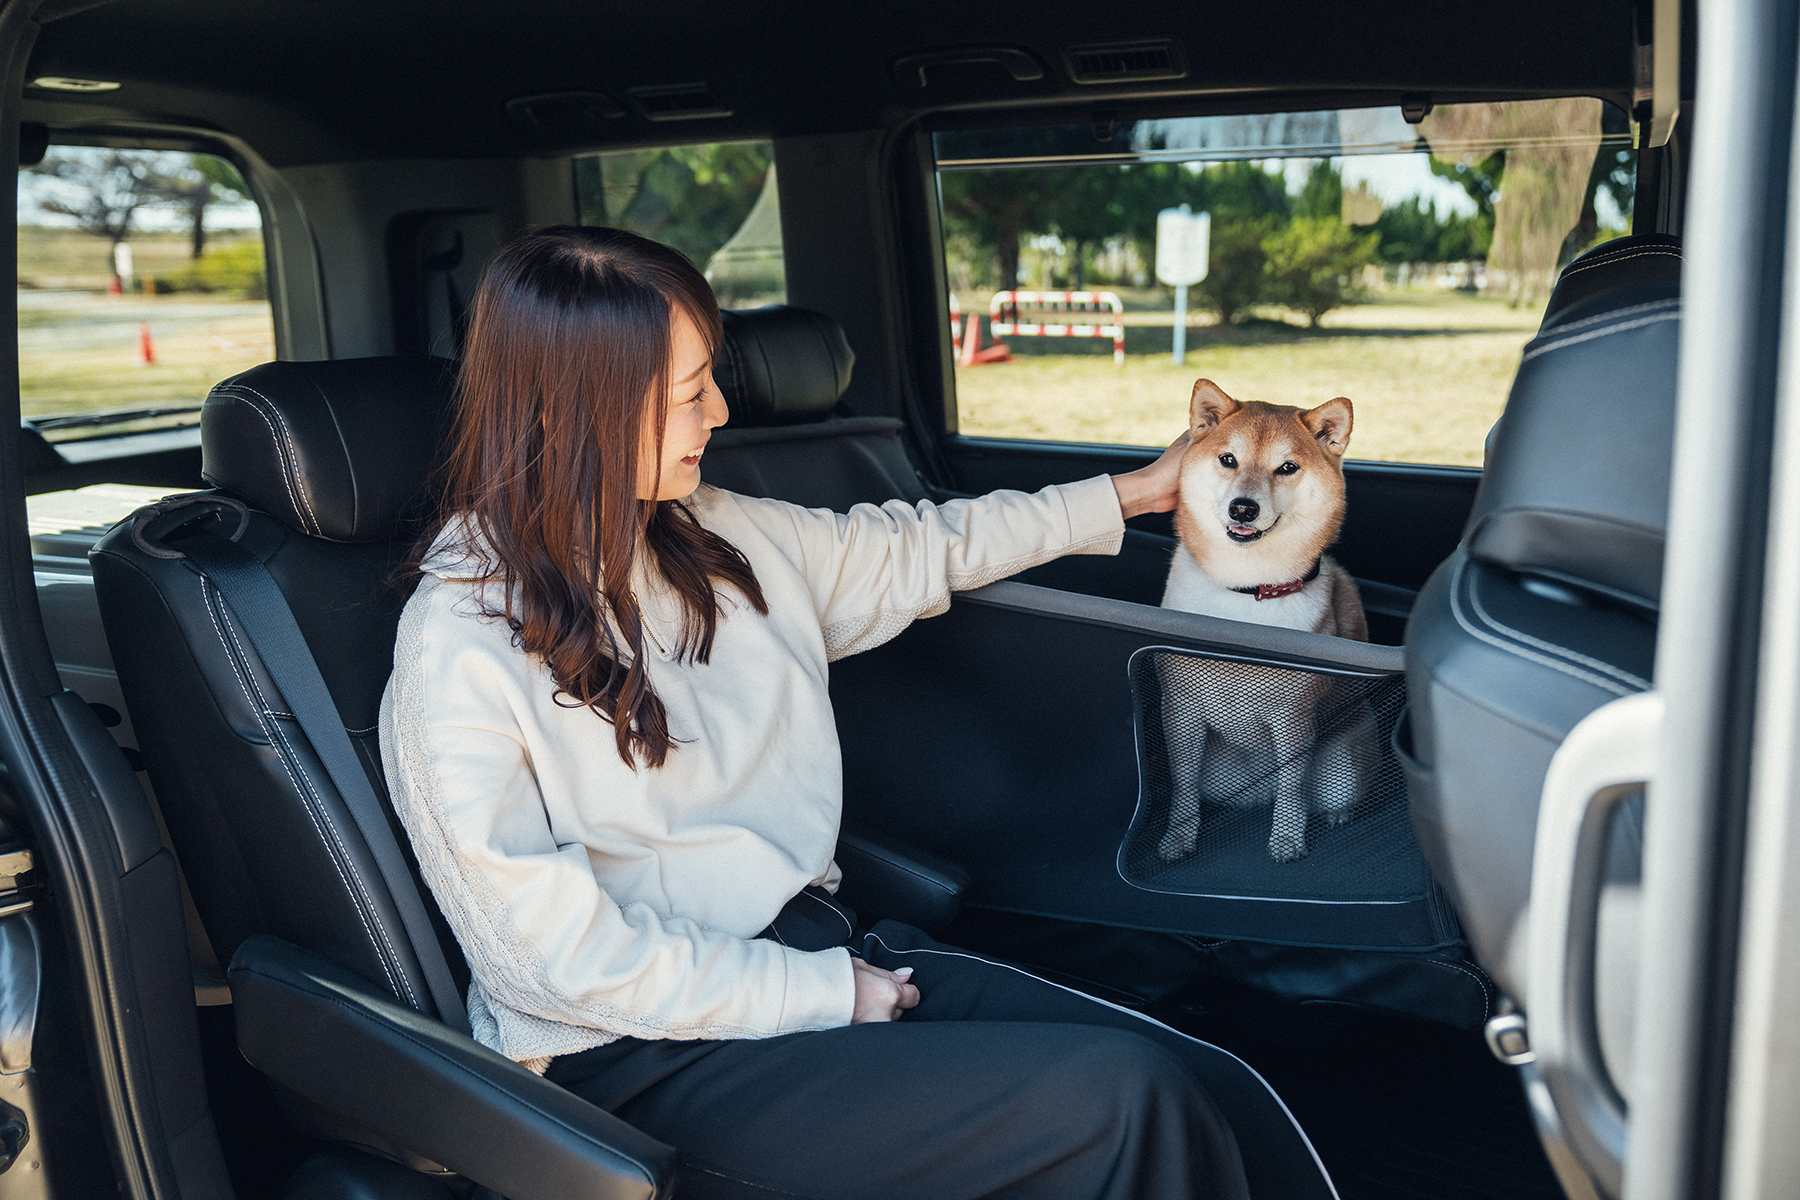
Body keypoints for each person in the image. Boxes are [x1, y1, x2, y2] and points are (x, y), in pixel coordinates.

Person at [380, 225, 1335, 1199]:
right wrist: (822, 992)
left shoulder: (710, 533)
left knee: (1205, 1075)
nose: (716, 411)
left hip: (818, 948)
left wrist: (1133, 492)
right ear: (569, 412)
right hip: (639, 1060)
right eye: (683, 394)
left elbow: (925, 546)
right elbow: (556, 964)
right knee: (1124, 1099)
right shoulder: (459, 643)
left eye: (712, 377)